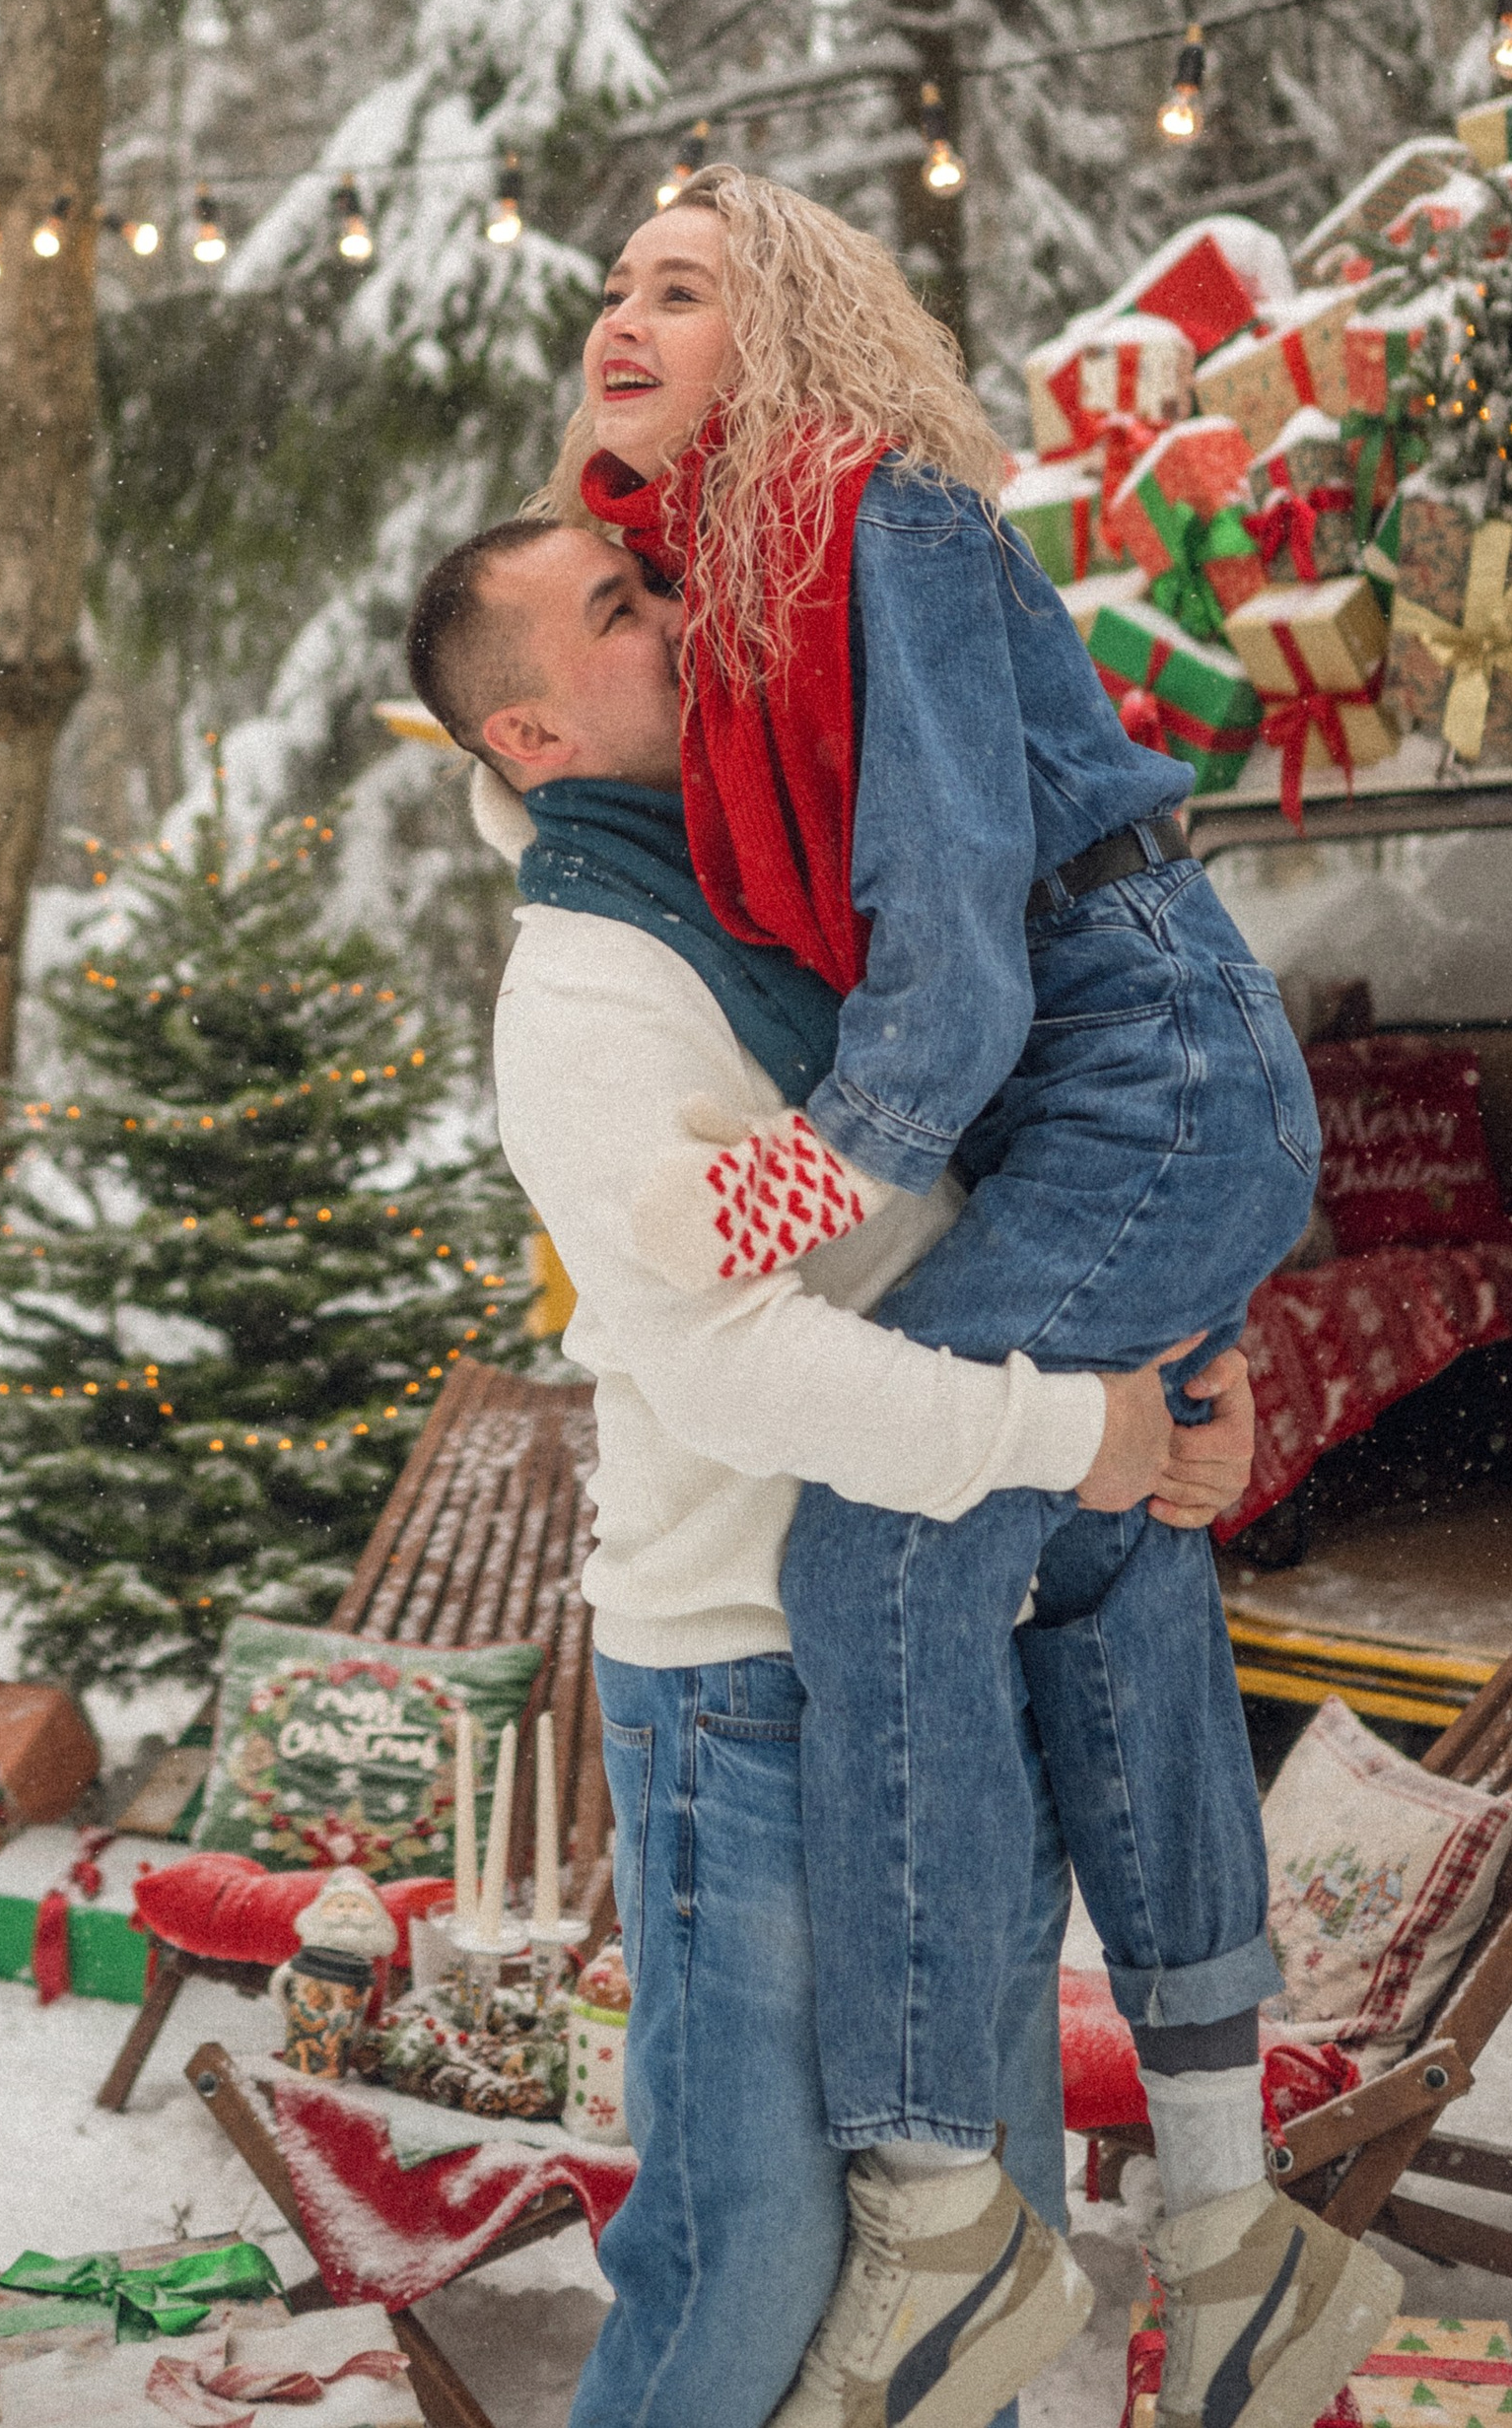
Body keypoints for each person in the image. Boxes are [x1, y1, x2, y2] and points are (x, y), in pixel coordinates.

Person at [513, 165, 1395, 2428]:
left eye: (682, 285)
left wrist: (794, 1184)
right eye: (613, 282)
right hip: (1114, 1096)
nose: (626, 309)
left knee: (882, 1530)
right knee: (1099, 1550)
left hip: (1135, 1062)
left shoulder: (862, 512)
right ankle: (1216, 2214)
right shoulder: (738, 605)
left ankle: (948, 2214)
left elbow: (958, 953)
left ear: (781, 324)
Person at [401, 514, 1260, 2428]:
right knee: (750, 2273)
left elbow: (983, 1188)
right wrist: (1071, 1428)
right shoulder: (584, 995)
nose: (680, 618)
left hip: (940, 1638)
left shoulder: (780, 873)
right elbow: (734, 1361)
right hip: (744, 1694)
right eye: (619, 612)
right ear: (528, 735)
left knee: (984, 2269)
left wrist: (1192, 1368)